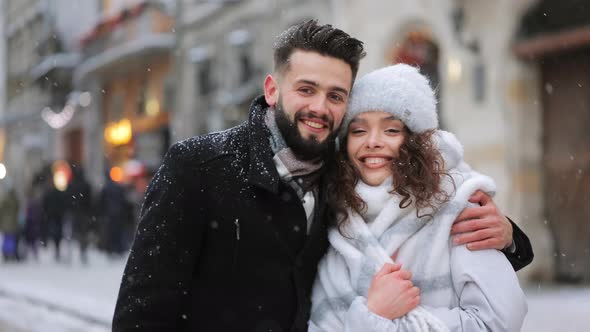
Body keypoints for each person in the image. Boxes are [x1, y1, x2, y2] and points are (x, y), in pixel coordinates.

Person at [113, 20, 532, 332]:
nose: (320, 107)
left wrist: (510, 236)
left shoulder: (342, 177)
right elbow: (142, 313)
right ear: (273, 89)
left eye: (336, 96)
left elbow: (442, 227)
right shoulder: (198, 166)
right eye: (306, 89)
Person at [309, 64, 527, 331]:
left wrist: (374, 321)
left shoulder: (458, 206)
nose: (373, 141)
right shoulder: (336, 218)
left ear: (417, 141)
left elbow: (498, 322)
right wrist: (374, 315)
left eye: (391, 130)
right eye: (358, 131)